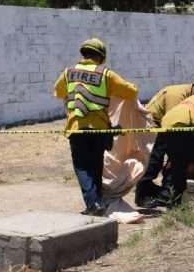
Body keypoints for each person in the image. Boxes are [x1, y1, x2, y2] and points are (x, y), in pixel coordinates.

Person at [53, 38, 138, 216]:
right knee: (96, 165)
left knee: (83, 167)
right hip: (99, 128)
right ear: (101, 57)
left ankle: (94, 204)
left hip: (77, 127)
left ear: (83, 54)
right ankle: (97, 202)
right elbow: (131, 91)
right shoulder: (105, 74)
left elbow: (58, 92)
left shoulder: (68, 73)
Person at [135, 77, 194, 207]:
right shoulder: (177, 95)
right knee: (154, 161)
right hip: (153, 124)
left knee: (175, 158)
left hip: (165, 127)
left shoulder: (191, 97)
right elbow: (172, 122)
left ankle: (168, 194)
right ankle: (142, 195)